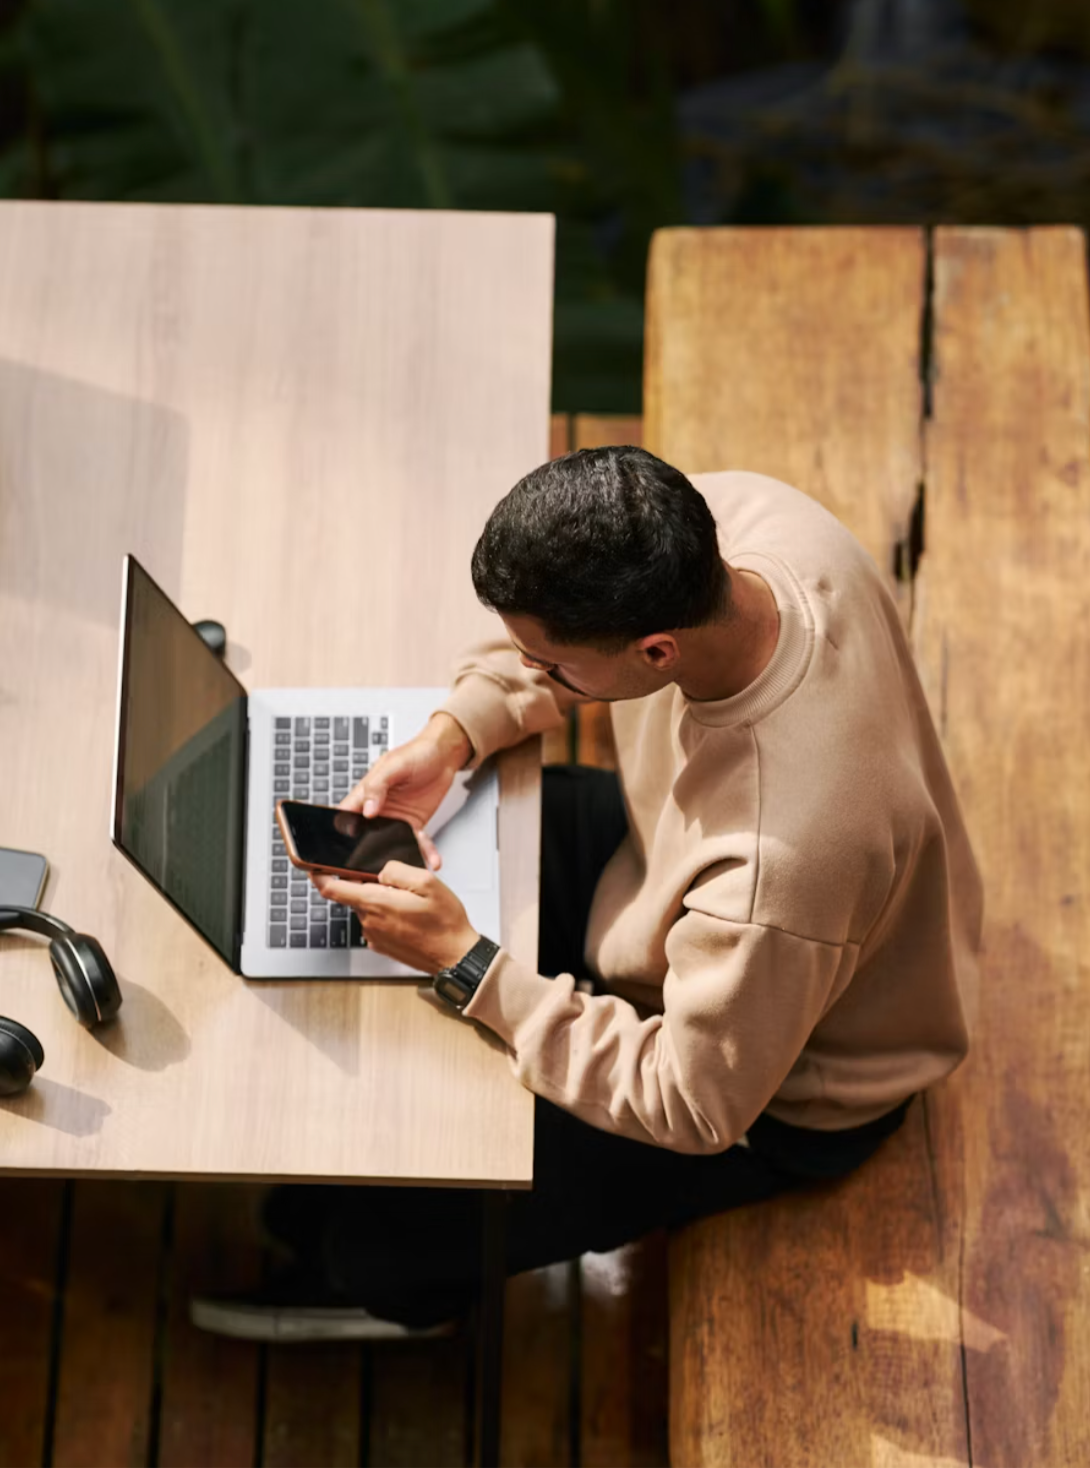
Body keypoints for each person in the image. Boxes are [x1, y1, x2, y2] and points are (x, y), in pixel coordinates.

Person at [191, 446, 983, 1342]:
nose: (540, 671)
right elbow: (555, 643)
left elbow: (695, 1102)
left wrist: (470, 968)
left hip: (781, 1089)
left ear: (656, 650)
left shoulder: (780, 860)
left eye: (554, 666)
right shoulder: (747, 525)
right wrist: (455, 735)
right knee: (477, 837)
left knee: (380, 1243)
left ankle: (380, 1289)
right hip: (662, 876)